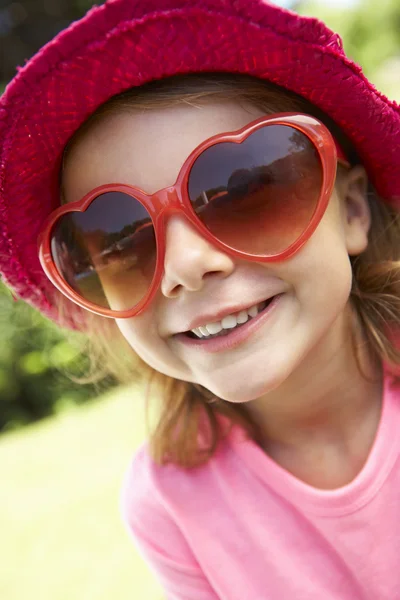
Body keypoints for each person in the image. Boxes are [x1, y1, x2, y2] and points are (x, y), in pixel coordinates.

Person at [1, 0, 400, 597]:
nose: (185, 268)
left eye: (243, 190)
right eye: (121, 239)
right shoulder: (168, 510)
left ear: (350, 211)